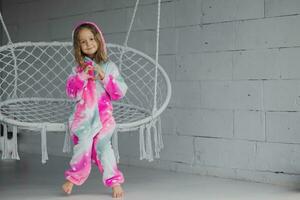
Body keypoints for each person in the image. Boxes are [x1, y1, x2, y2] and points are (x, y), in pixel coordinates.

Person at [62, 21, 128, 198]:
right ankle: (73, 177)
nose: (88, 43)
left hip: (104, 118)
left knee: (104, 147)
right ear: (79, 46)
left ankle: (114, 182)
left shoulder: (109, 66)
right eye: (83, 42)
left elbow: (119, 92)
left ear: (98, 40)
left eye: (91, 39)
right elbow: (70, 91)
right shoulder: (77, 69)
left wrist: (103, 77)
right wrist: (82, 76)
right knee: (83, 145)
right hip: (83, 118)